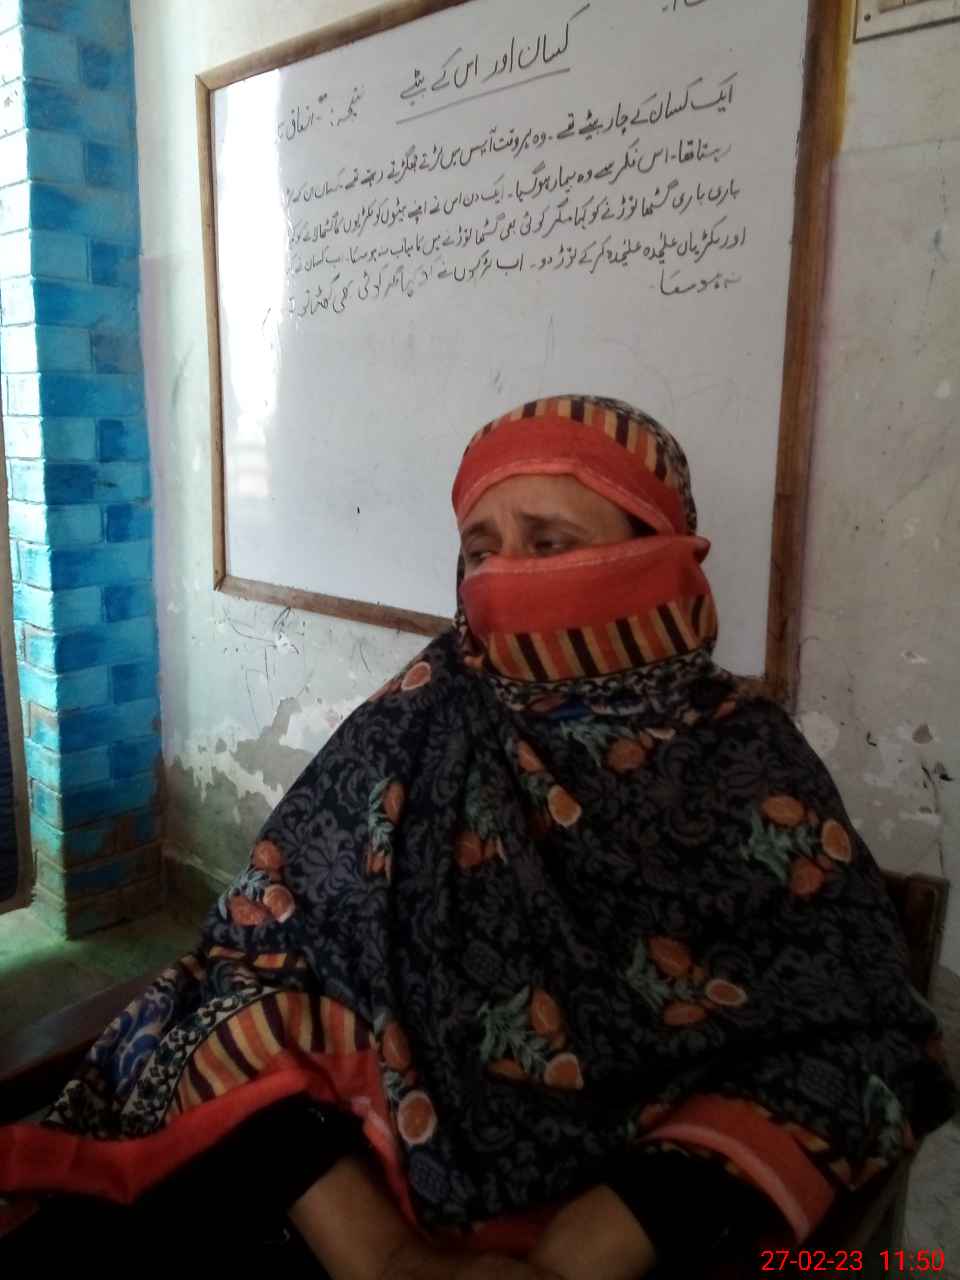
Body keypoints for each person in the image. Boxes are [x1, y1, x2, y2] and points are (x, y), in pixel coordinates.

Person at [0, 396, 955, 1279]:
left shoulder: (746, 765)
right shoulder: (419, 719)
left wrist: (582, 1252)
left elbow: (855, 1039)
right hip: (350, 1198)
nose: (503, 578)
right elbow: (252, 964)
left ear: (659, 552)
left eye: (551, 543)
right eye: (480, 548)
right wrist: (383, 1257)